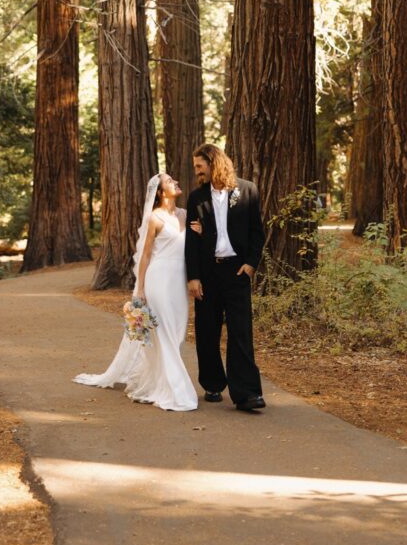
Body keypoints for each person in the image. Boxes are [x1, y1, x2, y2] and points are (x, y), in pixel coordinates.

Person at [74, 173, 197, 412]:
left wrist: (200, 232)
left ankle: (155, 382)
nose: (176, 183)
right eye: (171, 182)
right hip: (158, 280)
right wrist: (140, 288)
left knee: (177, 333)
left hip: (178, 282)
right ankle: (176, 390)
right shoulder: (155, 218)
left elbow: (193, 246)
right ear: (161, 193)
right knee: (163, 334)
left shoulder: (185, 214)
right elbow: (146, 255)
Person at [185, 143, 266, 411]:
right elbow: (191, 242)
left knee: (241, 331)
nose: (197, 171)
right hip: (208, 273)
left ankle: (247, 393)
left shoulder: (248, 190)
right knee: (207, 330)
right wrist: (193, 277)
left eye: (200, 166)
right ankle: (212, 383)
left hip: (237, 271)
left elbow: (257, 232)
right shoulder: (196, 198)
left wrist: (251, 264)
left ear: (213, 162)